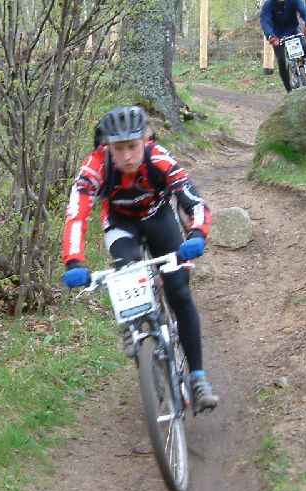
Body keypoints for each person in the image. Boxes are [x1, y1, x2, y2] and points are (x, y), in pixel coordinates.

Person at [60, 105, 219, 412]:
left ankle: (198, 378)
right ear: (109, 147)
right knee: (126, 270)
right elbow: (76, 215)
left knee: (179, 292)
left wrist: (197, 234)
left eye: (133, 147)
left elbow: (193, 201)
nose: (128, 156)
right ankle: (132, 325)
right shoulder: (95, 166)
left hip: (160, 218)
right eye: (119, 149)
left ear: (145, 140)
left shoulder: (160, 158)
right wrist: (74, 261)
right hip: (121, 225)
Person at [260, 0, 306, 93]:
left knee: (305, 48)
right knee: (281, 60)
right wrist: (270, 36)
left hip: (293, 30)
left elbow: (304, 10)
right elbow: (265, 22)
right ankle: (289, 89)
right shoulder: (268, 5)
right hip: (276, 36)